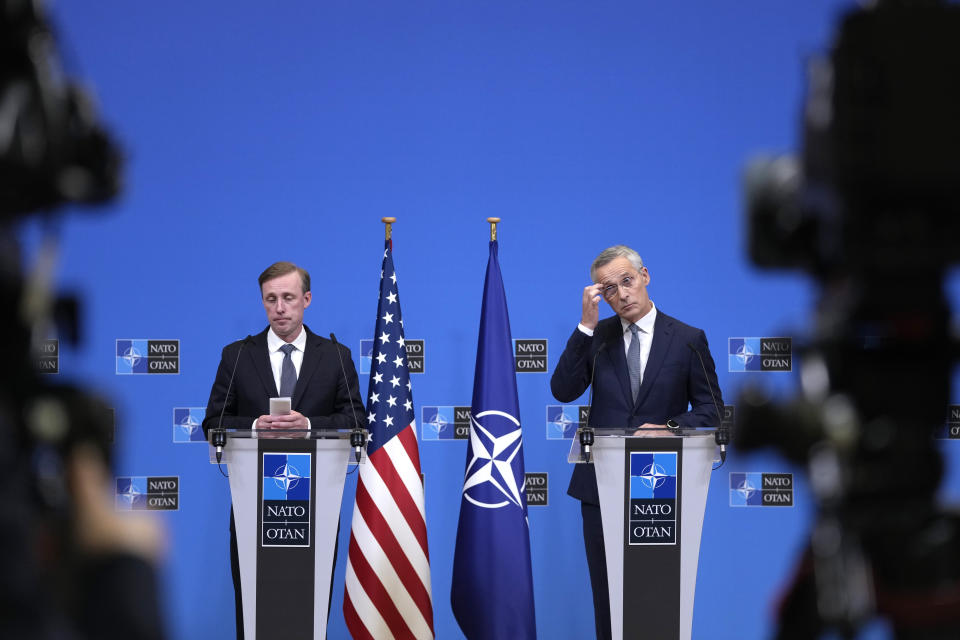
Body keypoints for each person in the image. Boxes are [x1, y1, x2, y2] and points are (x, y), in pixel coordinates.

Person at [550, 245, 723, 640]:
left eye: (627, 281)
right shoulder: (598, 337)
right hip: (600, 487)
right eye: (609, 289)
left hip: (657, 483)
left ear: (646, 276)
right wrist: (585, 326)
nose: (622, 294)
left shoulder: (687, 339)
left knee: (655, 599)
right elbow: (562, 390)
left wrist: (670, 427)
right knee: (607, 600)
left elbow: (712, 411)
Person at [202, 261, 366, 639]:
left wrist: (308, 425)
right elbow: (214, 422)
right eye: (270, 299)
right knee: (255, 615)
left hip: (315, 508)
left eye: (288, 298)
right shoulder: (238, 355)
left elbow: (357, 419)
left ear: (306, 300)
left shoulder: (335, 356)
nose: (279, 308)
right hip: (254, 508)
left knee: (307, 611)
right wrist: (255, 425)